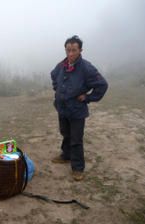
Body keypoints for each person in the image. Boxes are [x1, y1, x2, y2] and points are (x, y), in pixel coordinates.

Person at [50, 35, 108, 181]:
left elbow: (102, 84)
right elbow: (53, 75)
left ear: (80, 50)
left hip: (76, 110)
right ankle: (66, 155)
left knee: (76, 139)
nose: (70, 54)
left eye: (74, 50)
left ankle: (77, 168)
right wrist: (57, 90)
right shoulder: (61, 65)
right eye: (68, 50)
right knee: (65, 133)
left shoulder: (86, 68)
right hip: (62, 108)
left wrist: (87, 97)